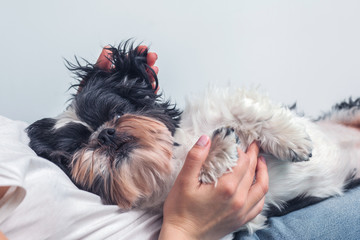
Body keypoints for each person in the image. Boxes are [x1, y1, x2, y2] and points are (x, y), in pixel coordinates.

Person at [1, 46, 359, 240]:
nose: (106, 135)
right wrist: (186, 230)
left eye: (113, 120)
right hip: (218, 226)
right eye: (87, 146)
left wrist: (103, 94)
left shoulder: (205, 115)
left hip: (318, 137)